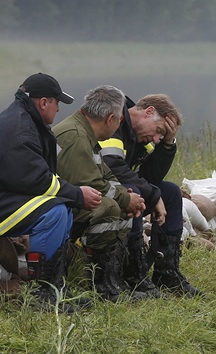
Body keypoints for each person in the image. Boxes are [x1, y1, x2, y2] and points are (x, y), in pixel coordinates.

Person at [0, 73, 102, 311]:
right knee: (56, 212)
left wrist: (72, 196)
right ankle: (43, 292)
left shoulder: (23, 121)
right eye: (57, 102)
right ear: (43, 102)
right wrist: (78, 194)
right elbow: (36, 180)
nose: (59, 109)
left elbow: (33, 176)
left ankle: (55, 285)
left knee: (64, 206)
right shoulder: (18, 128)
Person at [99, 93, 203, 298]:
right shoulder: (114, 123)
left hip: (122, 193)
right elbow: (114, 168)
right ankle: (134, 276)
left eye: (160, 137)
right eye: (158, 131)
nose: (155, 139)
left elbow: (150, 178)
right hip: (100, 194)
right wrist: (153, 196)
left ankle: (167, 273)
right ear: (148, 112)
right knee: (136, 192)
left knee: (171, 192)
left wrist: (167, 144)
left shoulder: (141, 137)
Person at [52, 85, 147, 302]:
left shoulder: (85, 133)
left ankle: (114, 280)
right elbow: (89, 183)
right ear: (111, 118)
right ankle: (102, 285)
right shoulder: (75, 135)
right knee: (109, 207)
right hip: (56, 204)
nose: (119, 125)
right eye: (120, 120)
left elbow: (106, 175)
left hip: (71, 198)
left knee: (120, 206)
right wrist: (124, 199)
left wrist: (127, 195)